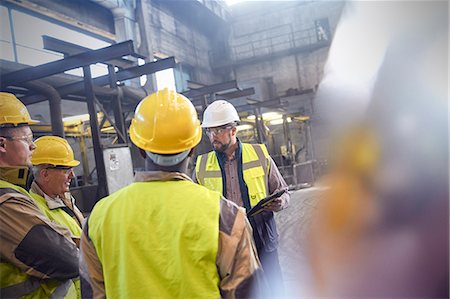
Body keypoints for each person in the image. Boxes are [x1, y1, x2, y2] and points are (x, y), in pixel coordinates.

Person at [79, 89, 263, 298]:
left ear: (140, 148)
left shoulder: (98, 218)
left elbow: (91, 293)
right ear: (193, 148)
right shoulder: (226, 217)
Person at [193, 100, 290, 295]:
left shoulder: (259, 155)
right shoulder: (201, 165)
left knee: (273, 289)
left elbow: (284, 192)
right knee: (238, 291)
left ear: (233, 130)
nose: (213, 137)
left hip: (261, 232)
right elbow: (194, 205)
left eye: (218, 131)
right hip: (226, 239)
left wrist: (280, 203)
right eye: (209, 132)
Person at [0, 92, 80, 298]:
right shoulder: (6, 200)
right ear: (2, 144)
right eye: (27, 138)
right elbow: (67, 259)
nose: (33, 145)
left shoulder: (15, 193)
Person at [30, 136, 84, 243]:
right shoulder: (35, 209)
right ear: (45, 174)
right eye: (66, 171)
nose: (72, 176)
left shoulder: (63, 199)